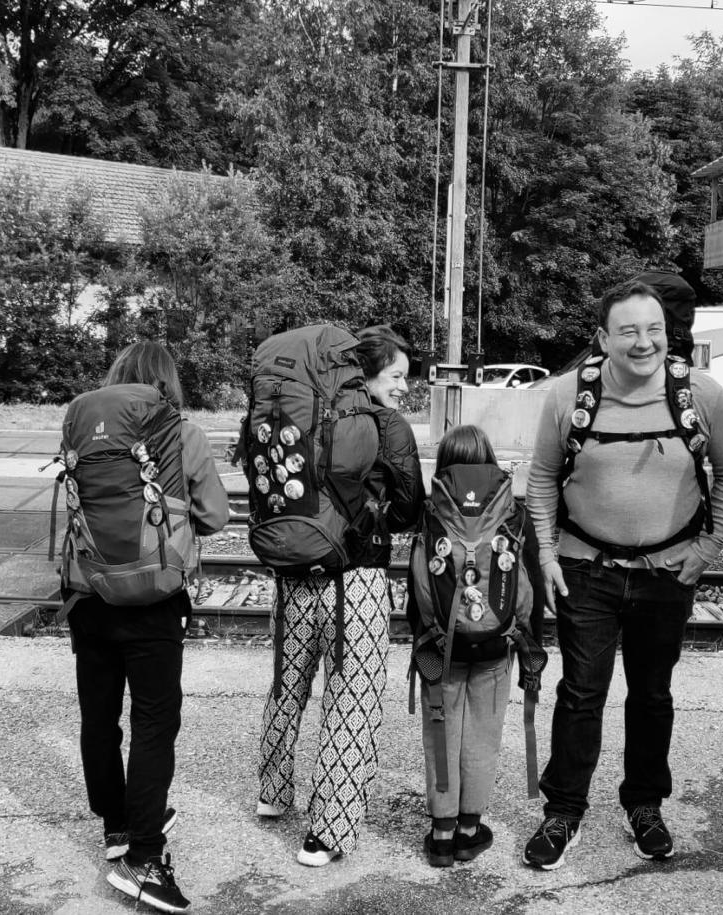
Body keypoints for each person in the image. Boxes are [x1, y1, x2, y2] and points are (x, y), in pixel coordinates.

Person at [522, 279, 723, 870]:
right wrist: (545, 554)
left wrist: (708, 549)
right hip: (584, 569)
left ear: (667, 333)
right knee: (580, 694)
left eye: (654, 329)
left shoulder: (702, 394)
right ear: (603, 339)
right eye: (628, 331)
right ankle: (564, 812)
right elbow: (543, 479)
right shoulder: (568, 396)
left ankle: (645, 805)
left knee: (651, 696)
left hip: (666, 575)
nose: (643, 342)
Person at [66, 342, 229, 912]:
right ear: (166, 383)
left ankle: (117, 827)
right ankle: (144, 856)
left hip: (87, 592)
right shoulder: (180, 433)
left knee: (99, 714)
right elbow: (213, 516)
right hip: (156, 596)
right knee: (155, 722)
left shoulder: (82, 427)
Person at [257, 324, 424, 866]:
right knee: (353, 698)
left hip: (294, 576)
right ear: (367, 374)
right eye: (397, 376)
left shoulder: (298, 415)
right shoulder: (387, 425)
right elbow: (408, 511)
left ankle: (274, 794)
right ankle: (326, 832)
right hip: (356, 582)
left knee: (288, 685)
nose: (403, 387)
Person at [406, 424, 546, 867]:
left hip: (441, 649)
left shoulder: (429, 513)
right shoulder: (514, 513)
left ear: (444, 464)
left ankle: (441, 833)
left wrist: (421, 640)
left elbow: (417, 585)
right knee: (484, 736)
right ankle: (469, 830)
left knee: (442, 735)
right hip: (496, 648)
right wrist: (532, 650)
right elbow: (531, 590)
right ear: (488, 459)